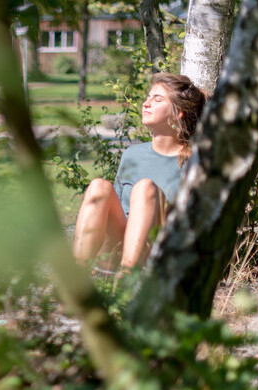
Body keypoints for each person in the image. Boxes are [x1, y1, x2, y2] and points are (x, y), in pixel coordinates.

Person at [73, 73, 207, 271]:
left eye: (157, 99)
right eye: (148, 97)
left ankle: (129, 282)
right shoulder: (132, 155)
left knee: (145, 188)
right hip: (118, 250)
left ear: (177, 112)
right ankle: (75, 277)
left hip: (163, 257)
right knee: (98, 187)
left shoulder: (195, 162)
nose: (146, 103)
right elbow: (115, 208)